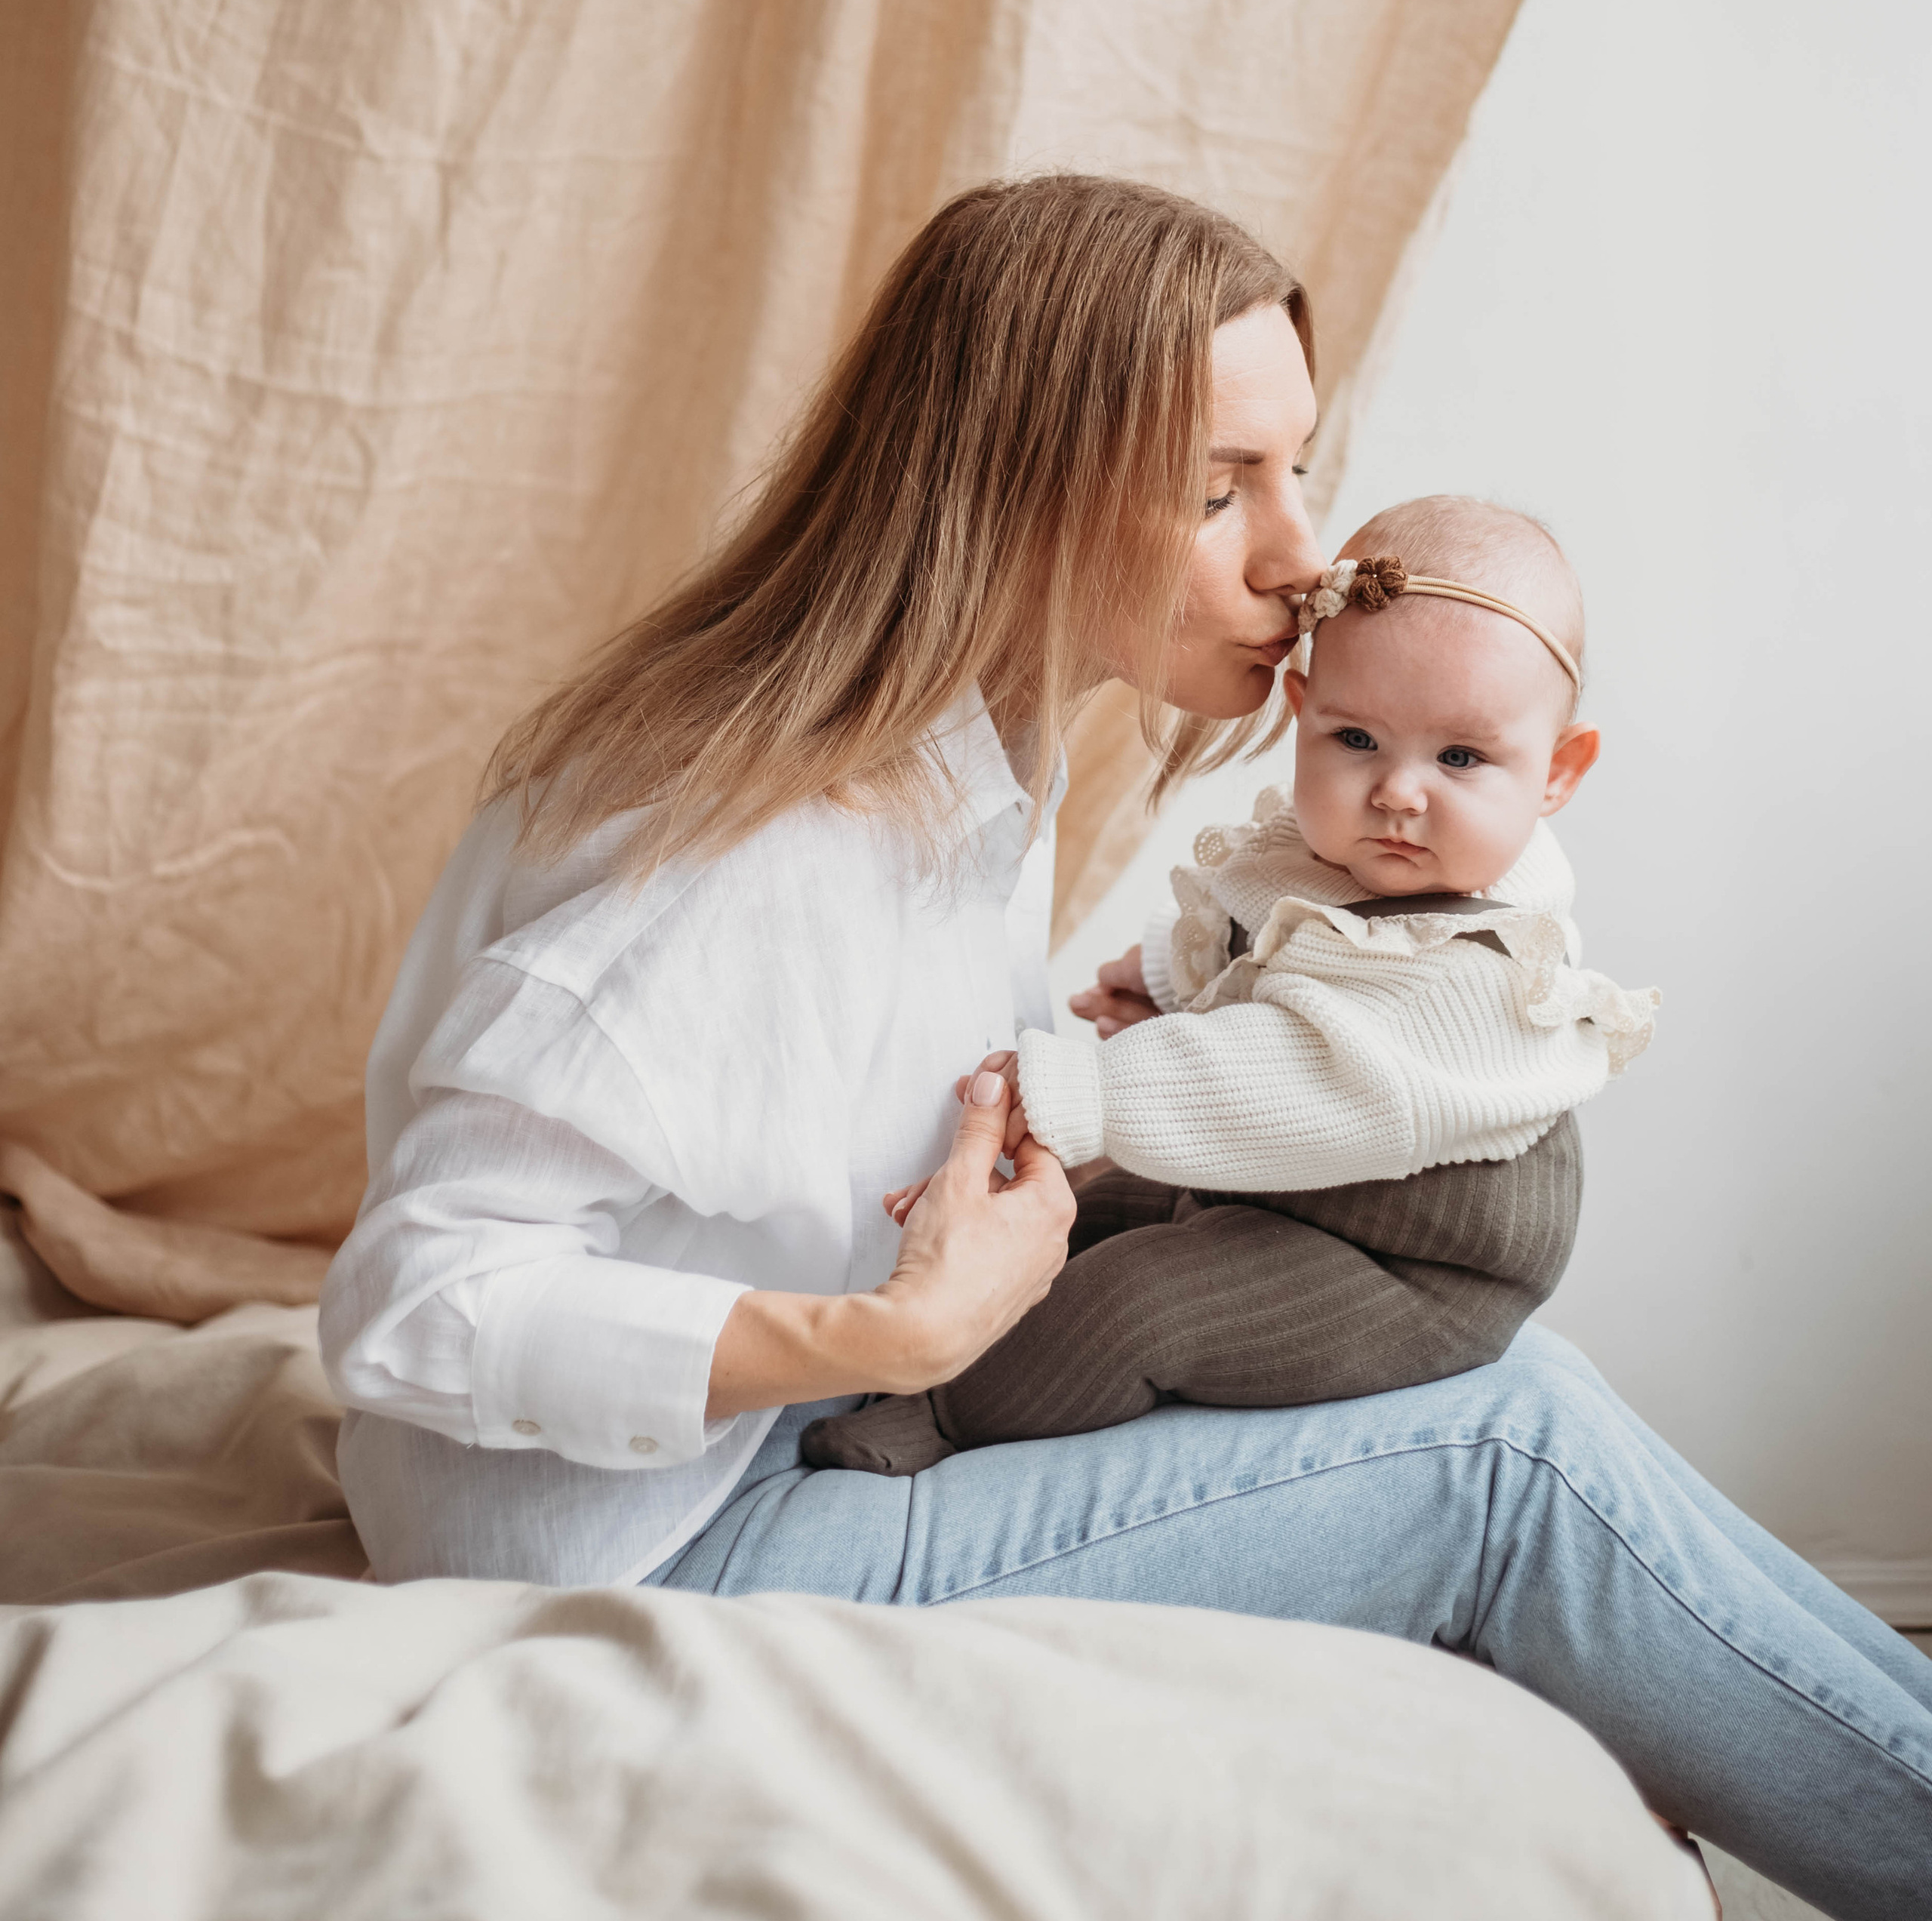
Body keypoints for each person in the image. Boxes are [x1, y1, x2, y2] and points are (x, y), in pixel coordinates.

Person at [320, 174, 1931, 1921]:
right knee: (1508, 1458)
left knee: (1489, 1384)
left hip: (775, 1451)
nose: (1299, 553)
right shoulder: (766, 856)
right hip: (663, 1557)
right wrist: (886, 1329)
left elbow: (794, 1131)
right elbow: (416, 1298)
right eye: (1214, 487)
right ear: (1012, 486)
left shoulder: (952, 769)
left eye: (1293, 469)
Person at [801, 497, 1662, 1476]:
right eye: (1355, 741)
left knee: (1136, 1304)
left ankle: (953, 1422)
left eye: (1461, 757)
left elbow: (1288, 1070)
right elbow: (1273, 939)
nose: (1397, 792)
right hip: (1295, 1188)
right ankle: (940, 1349)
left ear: (1558, 771)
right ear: (1302, 716)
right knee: (1083, 1210)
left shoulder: (1483, 978)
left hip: (1408, 1267)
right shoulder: (1350, 860)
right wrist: (1173, 974)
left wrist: (1077, 1094)